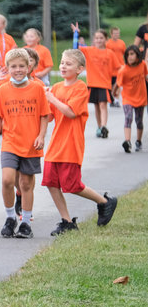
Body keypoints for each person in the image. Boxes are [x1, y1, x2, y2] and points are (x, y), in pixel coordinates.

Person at [44, 49, 117, 235]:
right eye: (62, 62)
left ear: (80, 69)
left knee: (72, 185)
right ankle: (67, 222)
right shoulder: (57, 87)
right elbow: (50, 115)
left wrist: (51, 98)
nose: (63, 66)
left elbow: (70, 112)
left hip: (70, 144)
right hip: (54, 145)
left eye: (68, 64)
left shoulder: (80, 88)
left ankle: (104, 202)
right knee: (51, 183)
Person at [0, 49, 50, 239]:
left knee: (26, 184)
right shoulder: (2, 90)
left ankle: (25, 222)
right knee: (7, 180)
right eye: (13, 66)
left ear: (29, 67)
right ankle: (10, 218)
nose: (17, 70)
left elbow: (44, 115)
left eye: (21, 66)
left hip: (31, 144)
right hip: (10, 143)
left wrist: (41, 136)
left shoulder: (37, 88)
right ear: (7, 68)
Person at [71, 23, 116, 138]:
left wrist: (116, 84)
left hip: (105, 84)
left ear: (106, 39)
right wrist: (76, 33)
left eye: (101, 38)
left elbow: (117, 68)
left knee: (103, 105)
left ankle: (104, 126)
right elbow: (75, 48)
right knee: (96, 106)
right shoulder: (89, 50)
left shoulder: (110, 53)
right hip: (92, 83)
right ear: (93, 40)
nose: (99, 40)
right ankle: (100, 126)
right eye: (96, 38)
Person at [118, 46, 148, 153]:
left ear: (137, 55)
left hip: (141, 97)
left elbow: (146, 77)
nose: (130, 57)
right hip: (128, 98)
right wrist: (114, 92)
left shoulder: (143, 65)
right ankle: (128, 141)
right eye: (128, 55)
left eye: (132, 54)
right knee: (128, 117)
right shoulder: (124, 70)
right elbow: (118, 84)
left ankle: (138, 141)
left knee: (139, 121)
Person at [107, 27, 127, 105]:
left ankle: (117, 99)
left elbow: (125, 54)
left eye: (118, 33)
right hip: (110, 67)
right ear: (111, 34)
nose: (116, 35)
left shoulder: (122, 43)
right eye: (115, 33)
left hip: (120, 66)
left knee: (118, 83)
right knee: (112, 84)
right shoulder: (108, 43)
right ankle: (112, 98)